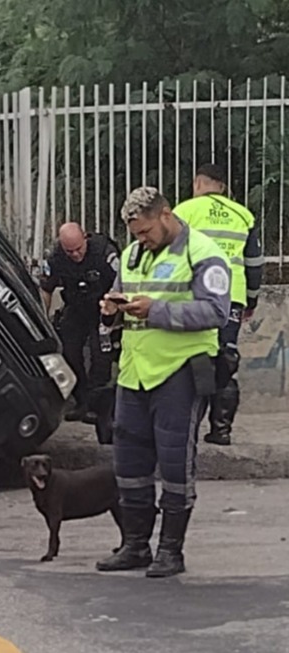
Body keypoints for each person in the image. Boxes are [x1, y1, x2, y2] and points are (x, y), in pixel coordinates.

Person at [96, 187, 230, 578]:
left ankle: (171, 551)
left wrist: (157, 311)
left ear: (166, 215)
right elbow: (126, 302)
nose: (141, 239)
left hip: (180, 372)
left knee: (175, 464)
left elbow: (216, 311)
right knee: (129, 465)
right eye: (135, 234)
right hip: (134, 372)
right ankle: (135, 545)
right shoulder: (131, 255)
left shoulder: (203, 253)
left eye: (146, 231)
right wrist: (112, 311)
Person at [173, 164, 262, 446]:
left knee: (192, 356)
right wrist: (252, 298)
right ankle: (221, 430)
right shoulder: (243, 215)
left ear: (198, 183)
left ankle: (186, 429)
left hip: (193, 295)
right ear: (222, 187)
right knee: (226, 357)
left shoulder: (183, 212)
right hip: (231, 296)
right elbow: (254, 263)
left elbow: (171, 257)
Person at [40, 222, 120, 422]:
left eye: (78, 249)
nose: (75, 255)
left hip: (102, 307)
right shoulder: (56, 256)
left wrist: (113, 310)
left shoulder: (103, 251)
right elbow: (46, 289)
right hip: (76, 308)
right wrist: (43, 318)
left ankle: (96, 406)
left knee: (100, 355)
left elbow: (122, 280)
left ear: (85, 238)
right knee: (68, 350)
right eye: (70, 251)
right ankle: (81, 400)